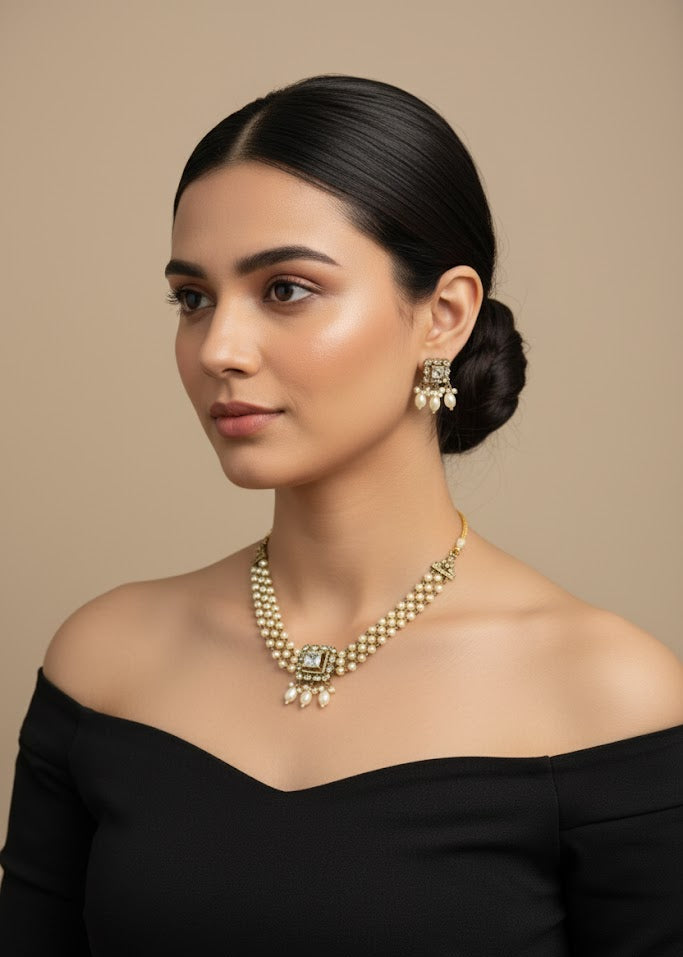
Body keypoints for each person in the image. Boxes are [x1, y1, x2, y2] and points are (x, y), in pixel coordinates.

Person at [0, 73, 681, 955]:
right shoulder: (105, 660)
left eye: (285, 288)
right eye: (192, 297)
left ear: (442, 316)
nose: (218, 348)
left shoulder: (604, 692)